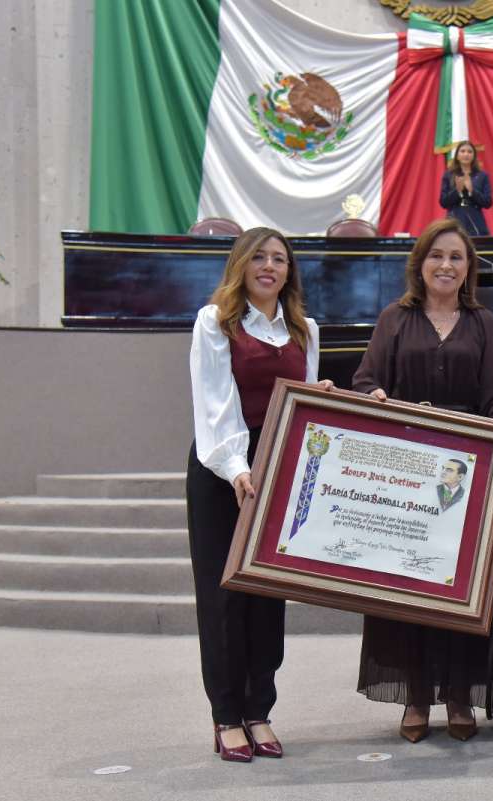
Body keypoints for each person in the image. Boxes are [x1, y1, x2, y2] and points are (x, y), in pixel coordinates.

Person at [351, 216, 493, 742]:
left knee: (462, 583)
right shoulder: (393, 320)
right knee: (409, 582)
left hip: (467, 472)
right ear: (419, 264)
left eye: (457, 257)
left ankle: (460, 695)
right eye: (437, 256)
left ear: (468, 269)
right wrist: (374, 397)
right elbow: (366, 381)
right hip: (406, 471)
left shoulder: (484, 322)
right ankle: (417, 695)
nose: (446, 265)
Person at [186, 226, 332, 763]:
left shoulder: (305, 329)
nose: (270, 267)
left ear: (289, 271)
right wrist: (236, 468)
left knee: (269, 594)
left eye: (280, 259)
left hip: (279, 468)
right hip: (222, 467)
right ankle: (226, 715)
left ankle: (258, 709)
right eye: (260, 258)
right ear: (242, 264)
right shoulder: (215, 321)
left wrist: (325, 403)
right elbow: (214, 401)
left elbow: (301, 405)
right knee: (224, 596)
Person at [438, 140, 492, 236]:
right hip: (454, 221)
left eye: (469, 152)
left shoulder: (482, 175)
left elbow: (488, 203)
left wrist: (472, 191)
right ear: (457, 156)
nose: (466, 154)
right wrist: (457, 191)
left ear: (474, 156)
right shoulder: (448, 175)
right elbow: (443, 202)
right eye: (462, 151)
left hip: (476, 223)